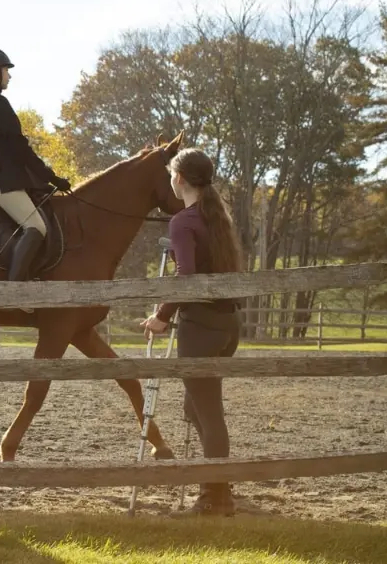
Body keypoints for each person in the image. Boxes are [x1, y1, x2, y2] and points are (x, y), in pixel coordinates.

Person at [139, 147, 244, 517]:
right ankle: (216, 488)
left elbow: (186, 278)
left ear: (179, 178)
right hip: (226, 325)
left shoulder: (184, 221)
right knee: (196, 407)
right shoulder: (218, 217)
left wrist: (162, 316)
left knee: (208, 411)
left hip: (200, 326)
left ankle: (216, 497)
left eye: (171, 173)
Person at [0, 45, 72, 285]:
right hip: (5, 182)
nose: (10, 75)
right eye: (6, 70)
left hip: (6, 179)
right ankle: (16, 288)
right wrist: (50, 177)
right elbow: (20, 148)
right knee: (37, 227)